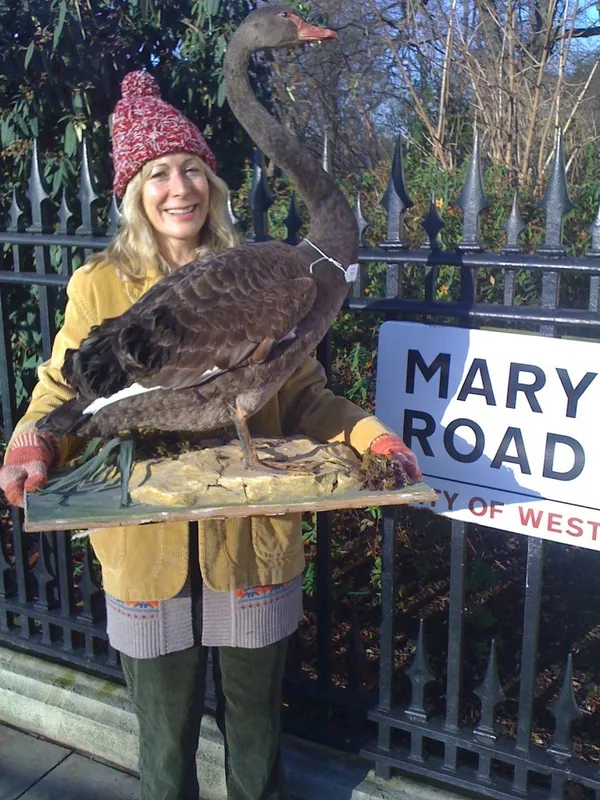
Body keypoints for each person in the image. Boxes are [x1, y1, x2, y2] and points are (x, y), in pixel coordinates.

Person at [0, 71, 422, 800]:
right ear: (135, 190)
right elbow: (62, 392)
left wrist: (371, 438)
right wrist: (34, 442)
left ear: (212, 181)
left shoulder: (265, 272)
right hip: (146, 553)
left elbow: (305, 394)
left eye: (192, 168)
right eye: (158, 173)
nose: (179, 188)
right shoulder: (99, 284)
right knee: (164, 747)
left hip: (249, 544)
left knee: (256, 738)